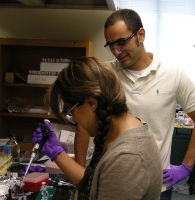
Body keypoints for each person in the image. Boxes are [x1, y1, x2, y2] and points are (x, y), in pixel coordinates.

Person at [74, 9, 195, 200]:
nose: (116, 51)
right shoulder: (106, 75)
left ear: (141, 35)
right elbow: (83, 120)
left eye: (121, 42)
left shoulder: (172, 74)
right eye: (110, 45)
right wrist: (81, 172)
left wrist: (186, 166)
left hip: (157, 185)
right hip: (113, 179)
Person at [32, 57, 162, 199]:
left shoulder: (127, 158)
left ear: (92, 103)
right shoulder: (122, 134)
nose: (74, 119)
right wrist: (56, 152)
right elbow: (94, 185)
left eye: (71, 110)